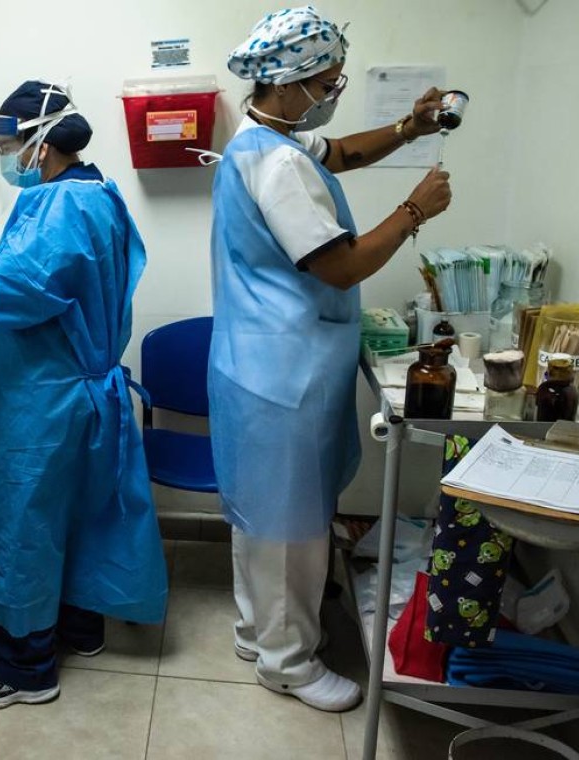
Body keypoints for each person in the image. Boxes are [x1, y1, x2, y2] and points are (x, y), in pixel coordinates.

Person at [210, 7, 452, 712]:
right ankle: (286, 663)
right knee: (288, 527)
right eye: (323, 79)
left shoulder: (258, 141)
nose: (334, 88)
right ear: (283, 84)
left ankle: (259, 633)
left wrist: (411, 127)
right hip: (282, 372)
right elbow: (340, 267)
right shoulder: (277, 166)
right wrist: (413, 210)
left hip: (257, 362)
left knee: (260, 516)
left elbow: (340, 152)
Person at [0, 81, 168, 708]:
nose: (5, 157)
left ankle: (28, 667)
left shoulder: (60, 209)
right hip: (77, 390)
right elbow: (46, 275)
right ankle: (80, 629)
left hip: (44, 400)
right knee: (78, 516)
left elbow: (5, 297)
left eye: (7, 145)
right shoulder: (92, 193)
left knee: (25, 527)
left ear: (40, 144)